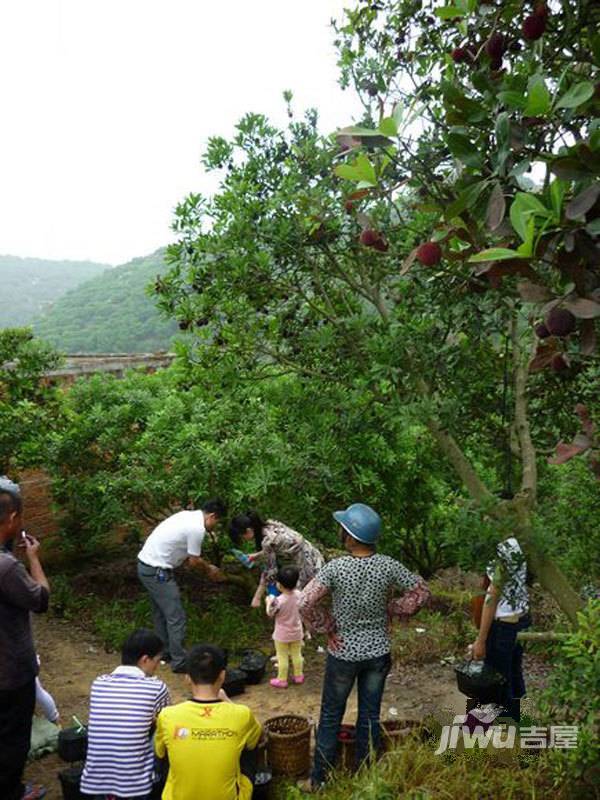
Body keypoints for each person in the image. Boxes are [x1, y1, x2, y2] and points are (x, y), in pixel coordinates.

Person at [299, 503, 430, 789]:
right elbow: (421, 592)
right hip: (378, 652)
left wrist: (326, 627)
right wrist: (394, 608)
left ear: (348, 535)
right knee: (370, 714)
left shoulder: (336, 568)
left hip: (343, 653)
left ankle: (319, 779)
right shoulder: (388, 565)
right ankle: (366, 775)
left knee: (331, 714)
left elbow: (305, 602)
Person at [154, 643, 262, 800]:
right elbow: (258, 736)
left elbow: (159, 754)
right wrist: (227, 701)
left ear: (187, 679)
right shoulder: (242, 714)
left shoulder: (168, 715)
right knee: (249, 743)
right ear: (222, 676)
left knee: (164, 747)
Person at [0, 476, 49, 800]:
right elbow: (41, 598)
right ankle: (12, 792)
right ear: (14, 518)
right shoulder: (6, 567)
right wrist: (32, 559)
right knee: (13, 737)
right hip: (10, 671)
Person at [137, 498, 227, 673]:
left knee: (161, 613)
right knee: (175, 615)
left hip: (146, 565)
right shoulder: (197, 528)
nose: (215, 526)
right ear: (212, 516)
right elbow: (194, 562)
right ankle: (178, 661)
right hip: (156, 570)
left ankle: (165, 652)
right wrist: (210, 569)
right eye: (217, 522)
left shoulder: (188, 516)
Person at [81, 628, 170, 800]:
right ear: (145, 659)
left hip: (96, 782)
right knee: (164, 730)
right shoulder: (156, 687)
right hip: (136, 786)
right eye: (157, 661)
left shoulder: (99, 683)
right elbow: (164, 723)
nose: (158, 666)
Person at [469, 536, 530, 722]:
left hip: (504, 624)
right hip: (521, 619)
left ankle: (505, 732)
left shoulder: (502, 552)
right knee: (513, 674)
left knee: (498, 681)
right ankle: (519, 725)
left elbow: (492, 597)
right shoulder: (518, 544)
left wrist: (480, 640)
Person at [229, 512, 324, 607]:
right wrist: (257, 555)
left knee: (300, 603)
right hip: (313, 555)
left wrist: (257, 597)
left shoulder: (268, 541)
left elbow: (270, 572)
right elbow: (278, 547)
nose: (244, 539)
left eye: (242, 536)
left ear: (249, 530)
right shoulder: (270, 525)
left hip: (308, 565)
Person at [266, 566, 304, 689]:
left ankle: (282, 679)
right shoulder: (299, 595)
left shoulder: (278, 601)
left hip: (282, 634)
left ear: (280, 585)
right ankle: (298, 676)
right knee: (297, 654)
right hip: (297, 632)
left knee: (282, 656)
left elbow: (270, 613)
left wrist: (268, 602)